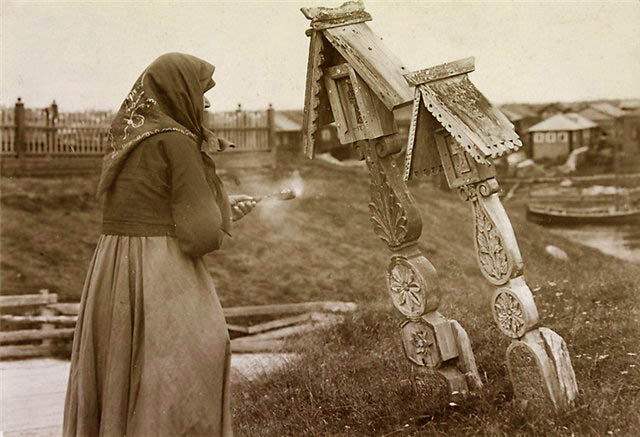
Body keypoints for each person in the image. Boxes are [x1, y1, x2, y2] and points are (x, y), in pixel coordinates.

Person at [63, 53, 255, 436]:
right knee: (195, 356)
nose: (208, 103)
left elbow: (151, 201)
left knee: (123, 365)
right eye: (203, 92)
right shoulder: (178, 141)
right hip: (159, 268)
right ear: (180, 92)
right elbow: (198, 234)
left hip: (114, 267)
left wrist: (220, 207)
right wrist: (218, 217)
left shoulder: (131, 138)